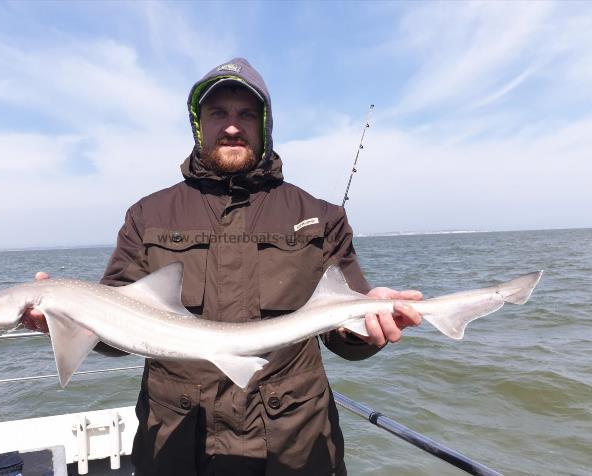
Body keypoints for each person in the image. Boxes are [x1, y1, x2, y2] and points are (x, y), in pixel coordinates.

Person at [23, 58, 422, 476]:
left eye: (246, 114)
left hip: (296, 447)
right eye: (218, 113)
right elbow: (114, 334)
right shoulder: (147, 215)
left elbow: (344, 340)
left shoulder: (321, 216)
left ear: (264, 124)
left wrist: (369, 327)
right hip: (177, 447)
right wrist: (68, 320)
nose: (232, 126)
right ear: (199, 123)